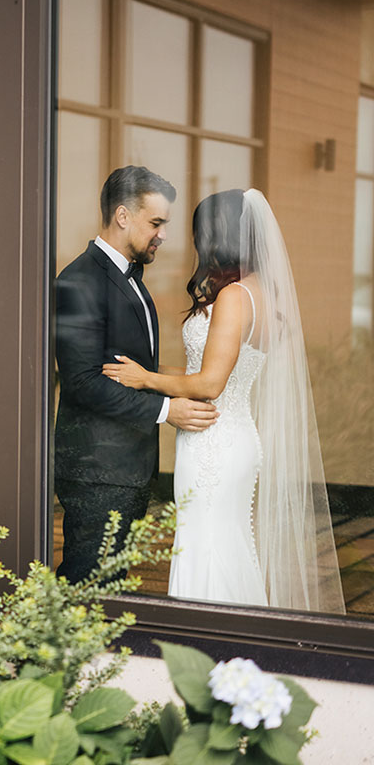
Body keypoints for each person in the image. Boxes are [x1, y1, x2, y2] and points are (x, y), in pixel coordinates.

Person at [105, 189, 345, 613]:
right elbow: (217, 376)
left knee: (205, 541)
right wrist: (157, 378)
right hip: (232, 433)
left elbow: (211, 383)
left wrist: (145, 379)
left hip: (212, 438)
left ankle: (209, 645)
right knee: (225, 541)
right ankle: (242, 643)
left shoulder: (235, 297)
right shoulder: (264, 296)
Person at [54, 166, 218, 584]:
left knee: (110, 583)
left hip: (127, 467)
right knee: (87, 586)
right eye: (156, 222)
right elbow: (83, 382)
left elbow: (135, 369)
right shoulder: (79, 281)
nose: (163, 234)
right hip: (97, 469)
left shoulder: (133, 278)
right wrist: (167, 410)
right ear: (123, 216)